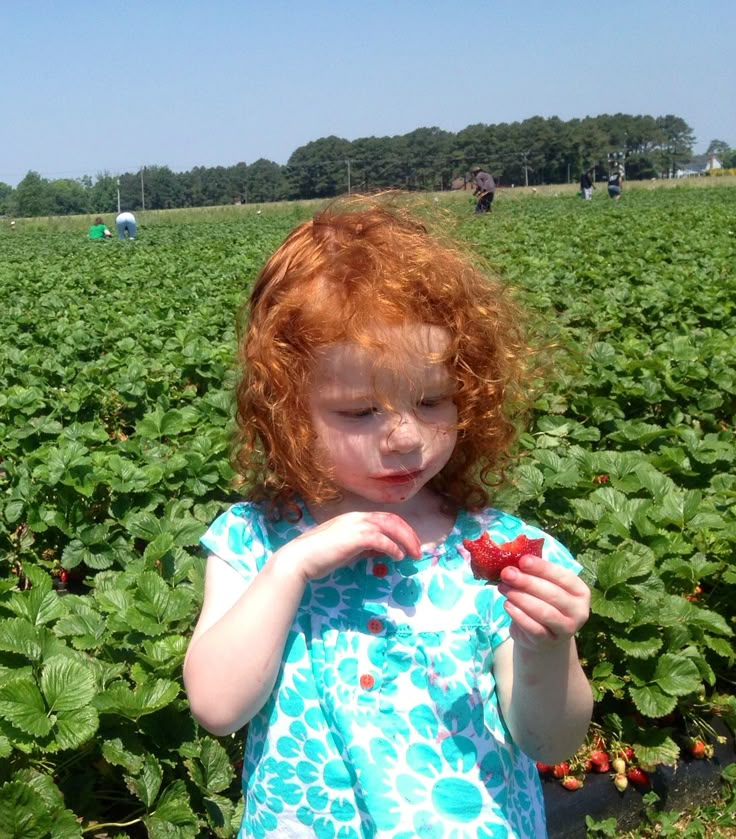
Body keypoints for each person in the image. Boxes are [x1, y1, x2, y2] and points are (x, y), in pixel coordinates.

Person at [183, 198, 593, 838]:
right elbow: (217, 706)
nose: (404, 437)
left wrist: (548, 647)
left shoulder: (508, 550)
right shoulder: (255, 542)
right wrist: (290, 569)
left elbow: (550, 740)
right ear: (290, 413)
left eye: (432, 401)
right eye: (358, 412)